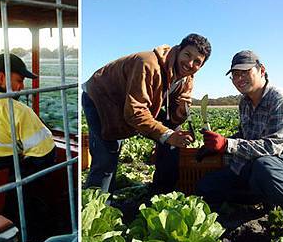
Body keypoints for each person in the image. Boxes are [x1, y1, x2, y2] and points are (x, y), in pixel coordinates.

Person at [82, 33, 212, 193]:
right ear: (178, 50)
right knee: (107, 157)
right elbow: (135, 112)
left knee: (174, 140)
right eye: (187, 55)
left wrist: (180, 112)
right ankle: (95, 209)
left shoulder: (187, 79)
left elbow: (172, 118)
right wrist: (167, 135)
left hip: (136, 104)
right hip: (103, 98)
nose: (190, 63)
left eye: (197, 62)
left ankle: (161, 193)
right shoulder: (148, 64)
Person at [197, 51, 283, 235]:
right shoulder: (244, 103)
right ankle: (265, 198)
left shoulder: (280, 100)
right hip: (252, 166)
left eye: (245, 72)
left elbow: (272, 147)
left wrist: (227, 144)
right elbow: (244, 135)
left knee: (265, 166)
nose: (239, 78)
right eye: (235, 75)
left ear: (261, 70)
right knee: (207, 186)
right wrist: (216, 145)